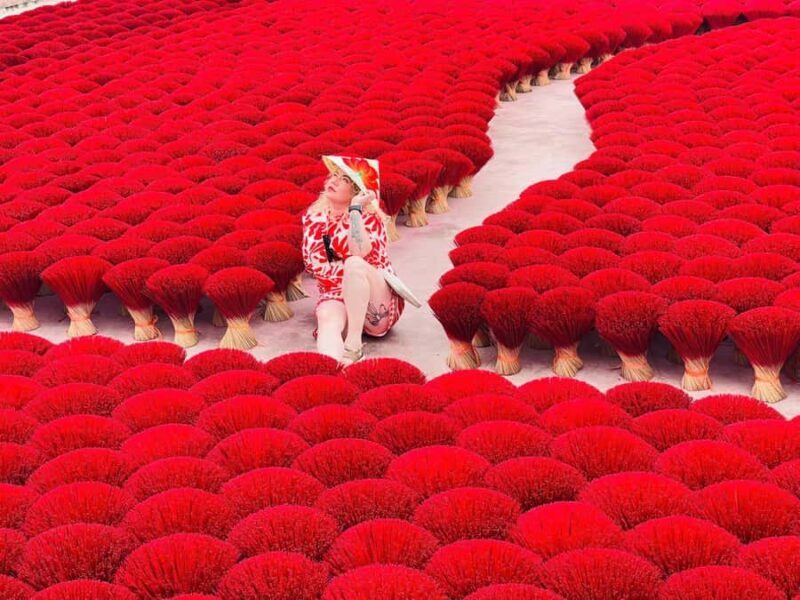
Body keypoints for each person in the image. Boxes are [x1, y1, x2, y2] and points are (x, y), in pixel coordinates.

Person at [301, 155, 405, 366]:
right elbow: (313, 265)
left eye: (345, 180)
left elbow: (359, 252)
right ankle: (333, 373)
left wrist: (355, 210)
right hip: (336, 294)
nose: (334, 181)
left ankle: (354, 346)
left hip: (375, 303)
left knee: (354, 263)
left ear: (357, 192)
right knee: (326, 317)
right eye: (333, 175)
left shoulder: (369, 217)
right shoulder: (313, 218)